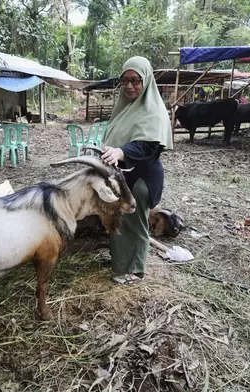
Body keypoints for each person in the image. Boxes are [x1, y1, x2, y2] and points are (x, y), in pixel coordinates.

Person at [99, 56, 173, 285]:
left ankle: (136, 268)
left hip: (142, 179)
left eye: (136, 80)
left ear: (147, 80)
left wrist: (121, 153)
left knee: (135, 222)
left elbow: (149, 147)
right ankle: (120, 265)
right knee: (118, 219)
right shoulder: (125, 108)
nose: (130, 85)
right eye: (125, 80)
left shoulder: (153, 110)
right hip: (121, 176)